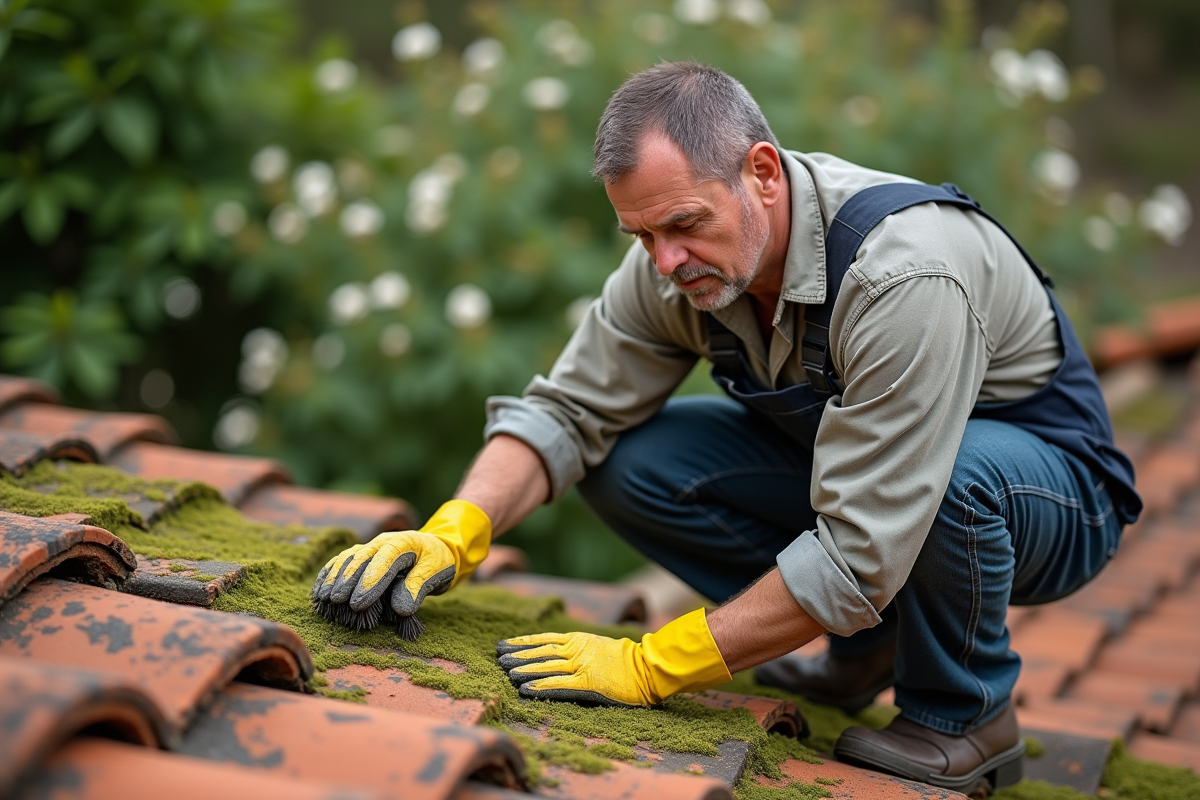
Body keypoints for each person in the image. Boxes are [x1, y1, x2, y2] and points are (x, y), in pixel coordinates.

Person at [312, 62, 1140, 793]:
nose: (665, 260)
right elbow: (568, 411)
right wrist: (458, 530)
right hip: (872, 485)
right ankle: (865, 653)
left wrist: (654, 664)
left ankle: (968, 718)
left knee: (953, 477)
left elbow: (864, 542)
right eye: (641, 234)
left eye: (682, 224)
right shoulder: (679, 270)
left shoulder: (901, 275)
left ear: (763, 173)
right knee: (629, 458)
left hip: (1048, 495)